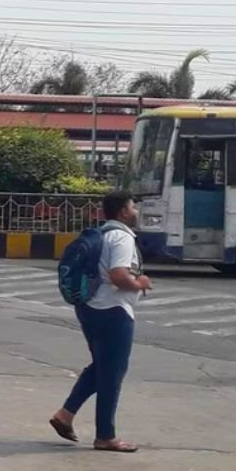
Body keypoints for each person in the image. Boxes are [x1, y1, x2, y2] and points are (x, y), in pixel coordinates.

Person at [49, 191, 151, 453]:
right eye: (133, 207)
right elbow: (119, 275)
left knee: (101, 367)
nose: (136, 212)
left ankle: (65, 415)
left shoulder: (103, 234)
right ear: (123, 212)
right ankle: (106, 435)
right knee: (112, 373)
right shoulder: (122, 237)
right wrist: (140, 282)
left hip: (90, 308)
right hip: (112, 311)